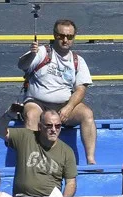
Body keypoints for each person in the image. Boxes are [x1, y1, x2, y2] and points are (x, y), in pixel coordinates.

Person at [18, 19, 97, 165]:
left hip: (63, 106)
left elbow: (81, 89)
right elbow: (22, 65)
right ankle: (30, 161)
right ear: (55, 35)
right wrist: (31, 54)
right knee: (31, 115)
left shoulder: (77, 60)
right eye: (61, 36)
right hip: (38, 103)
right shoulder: (42, 52)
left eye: (69, 36)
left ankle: (91, 159)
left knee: (87, 114)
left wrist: (69, 107)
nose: (65, 40)